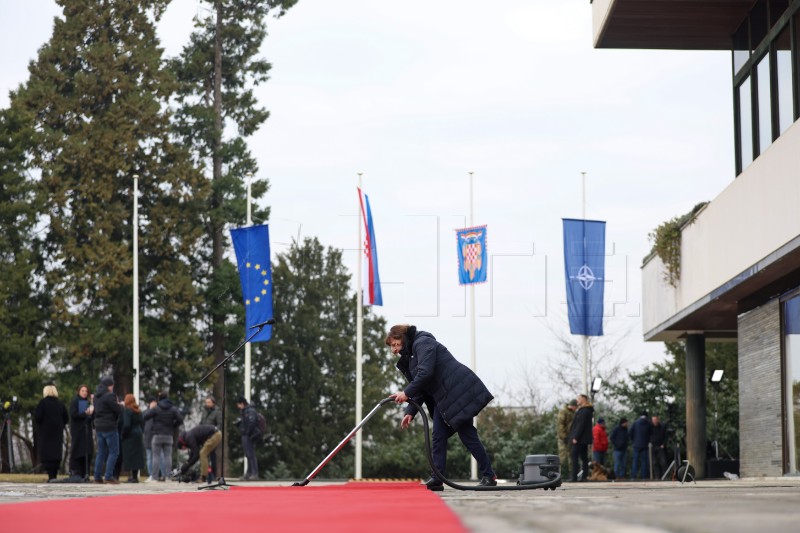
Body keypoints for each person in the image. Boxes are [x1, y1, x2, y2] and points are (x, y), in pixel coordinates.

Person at [385, 324, 497, 491]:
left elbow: (425, 374)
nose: (394, 350)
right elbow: (421, 386)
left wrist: (406, 393)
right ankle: (437, 478)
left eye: (395, 344)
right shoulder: (412, 355)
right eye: (391, 346)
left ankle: (489, 475)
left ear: (404, 337)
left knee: (467, 434)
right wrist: (411, 412)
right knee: (438, 435)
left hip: (456, 391)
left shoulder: (422, 343)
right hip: (443, 396)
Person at [143, 391, 183, 482]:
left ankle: (155, 477)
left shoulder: (156, 408)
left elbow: (145, 416)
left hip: (157, 435)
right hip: (169, 435)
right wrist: (173, 426)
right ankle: (168, 477)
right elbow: (180, 419)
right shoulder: (173, 409)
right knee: (168, 456)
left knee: (156, 456)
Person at [34, 384, 69, 481]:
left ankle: (50, 476)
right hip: (57, 433)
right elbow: (66, 418)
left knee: (47, 454)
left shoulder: (43, 403)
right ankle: (54, 476)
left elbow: (37, 417)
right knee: (56, 454)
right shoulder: (60, 404)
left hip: (46, 433)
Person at [93, 376, 123, 484]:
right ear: (110, 386)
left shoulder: (96, 397)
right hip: (110, 426)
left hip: (99, 426)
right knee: (114, 451)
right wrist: (121, 405)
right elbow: (117, 410)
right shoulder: (109, 396)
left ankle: (97, 476)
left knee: (101, 452)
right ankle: (109, 475)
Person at [68, 384, 94, 479]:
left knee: (87, 451)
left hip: (87, 430)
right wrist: (85, 414)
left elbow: (91, 417)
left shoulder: (88, 402)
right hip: (78, 430)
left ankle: (85, 472)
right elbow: (73, 414)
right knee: (77, 450)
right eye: (83, 391)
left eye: (86, 391)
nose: (84, 393)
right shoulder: (75, 401)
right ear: (79, 391)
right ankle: (75, 471)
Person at [568, 394, 594, 482]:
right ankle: (584, 477)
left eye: (579, 399)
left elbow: (580, 425)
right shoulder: (583, 410)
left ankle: (574, 477)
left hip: (580, 439)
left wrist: (576, 437)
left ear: (583, 399)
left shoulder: (585, 411)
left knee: (574, 456)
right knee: (584, 457)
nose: (577, 400)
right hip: (583, 439)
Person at [120, 394, 145, 483]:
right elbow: (143, 423)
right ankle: (135, 476)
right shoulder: (138, 411)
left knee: (130, 455)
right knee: (137, 455)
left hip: (130, 435)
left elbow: (127, 424)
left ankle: (132, 476)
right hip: (138, 434)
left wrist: (123, 435)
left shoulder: (127, 411)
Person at [236, 396, 262, 480]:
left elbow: (252, 422)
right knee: (248, 454)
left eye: (239, 404)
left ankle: (254, 473)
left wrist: (247, 432)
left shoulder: (250, 411)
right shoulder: (244, 411)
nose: (238, 406)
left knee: (251, 454)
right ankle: (249, 473)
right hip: (245, 435)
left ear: (242, 403)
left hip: (250, 435)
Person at [199, 395, 222, 481]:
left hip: (213, 436)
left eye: (209, 402)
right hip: (204, 436)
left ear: (213, 403)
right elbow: (201, 422)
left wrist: (215, 431)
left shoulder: (217, 411)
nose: (207, 404)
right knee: (204, 455)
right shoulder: (204, 411)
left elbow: (219, 424)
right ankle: (205, 473)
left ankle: (214, 474)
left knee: (213, 456)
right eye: (206, 402)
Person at [629, 410, 653, 480]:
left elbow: (630, 432)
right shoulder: (648, 424)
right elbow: (651, 433)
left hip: (636, 444)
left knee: (635, 461)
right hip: (645, 445)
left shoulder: (635, 423)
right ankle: (644, 476)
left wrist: (633, 440)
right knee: (644, 462)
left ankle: (633, 476)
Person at [557, 399, 577, 475]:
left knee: (571, 457)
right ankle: (556, 473)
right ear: (573, 406)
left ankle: (571, 474)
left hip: (570, 437)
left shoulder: (573, 413)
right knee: (562, 456)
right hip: (563, 438)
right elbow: (560, 425)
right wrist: (564, 437)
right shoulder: (563, 412)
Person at [650, 415, 668, 479]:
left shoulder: (662, 427)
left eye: (655, 419)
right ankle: (657, 476)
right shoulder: (650, 427)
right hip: (653, 446)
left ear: (658, 420)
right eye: (653, 420)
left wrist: (663, 444)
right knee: (654, 462)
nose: (654, 421)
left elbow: (665, 436)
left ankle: (665, 475)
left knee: (663, 462)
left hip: (661, 446)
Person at [143, 396, 156, 482]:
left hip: (156, 436)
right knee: (149, 457)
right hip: (148, 436)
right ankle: (151, 474)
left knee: (159, 456)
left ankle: (161, 475)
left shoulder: (158, 411)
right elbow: (143, 419)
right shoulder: (146, 412)